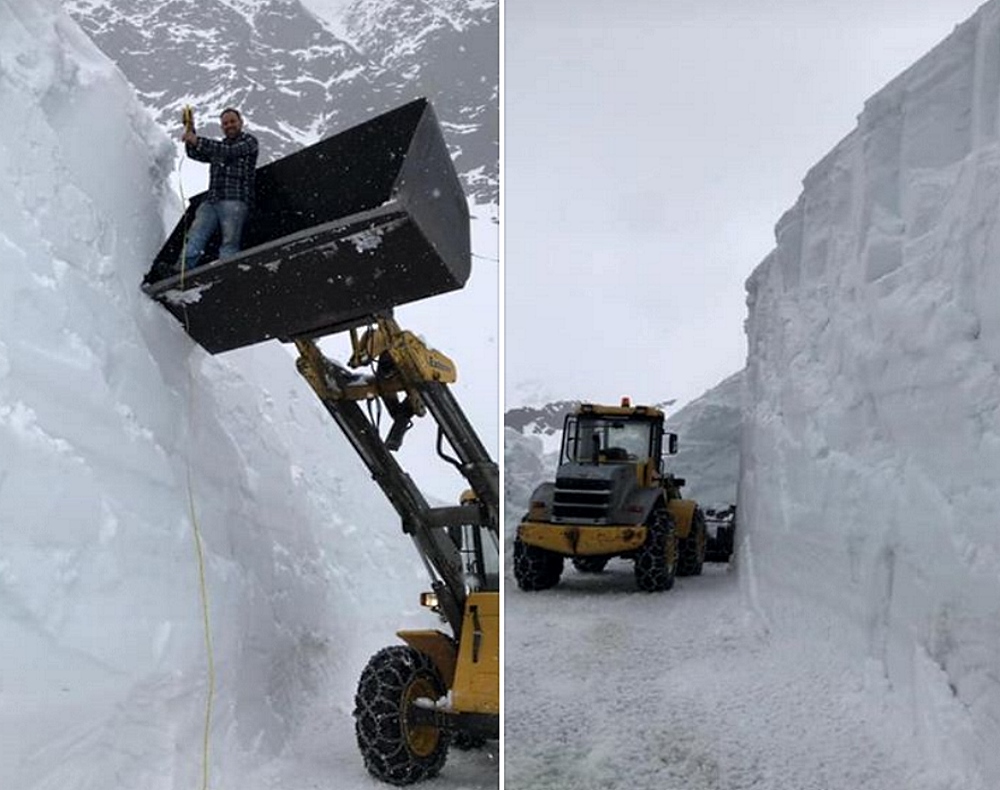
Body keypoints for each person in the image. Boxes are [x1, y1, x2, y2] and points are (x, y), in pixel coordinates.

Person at [178, 107, 259, 272]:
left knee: (230, 241)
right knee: (195, 235)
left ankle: (227, 273)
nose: (229, 125)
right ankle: (182, 270)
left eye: (232, 122)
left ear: (241, 123)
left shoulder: (249, 142)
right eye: (225, 123)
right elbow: (196, 154)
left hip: (234, 200)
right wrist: (190, 130)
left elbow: (229, 152)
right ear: (222, 127)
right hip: (212, 201)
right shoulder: (218, 147)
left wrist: (196, 140)